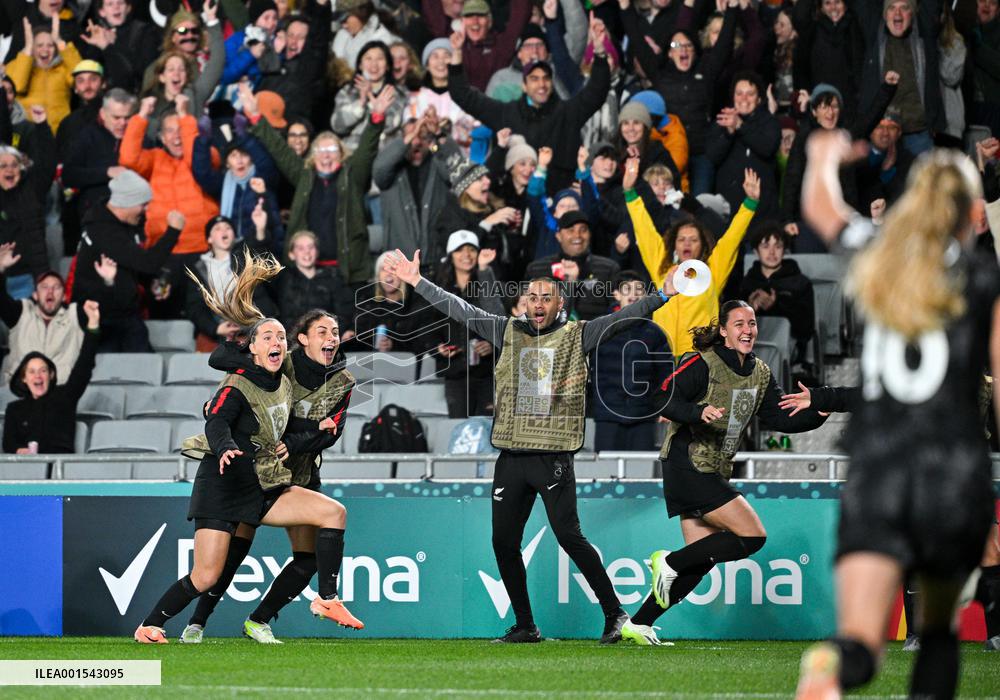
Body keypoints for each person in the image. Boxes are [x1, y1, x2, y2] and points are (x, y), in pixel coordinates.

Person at [382, 247, 678, 644]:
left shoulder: (579, 334)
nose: (538, 304)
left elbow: (624, 318)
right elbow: (457, 308)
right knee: (503, 542)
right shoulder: (505, 330)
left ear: (561, 304)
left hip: (553, 455)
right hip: (511, 455)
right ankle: (526, 625)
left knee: (569, 536)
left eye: (546, 298)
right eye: (532, 297)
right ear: (524, 302)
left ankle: (615, 616)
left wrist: (663, 294)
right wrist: (417, 281)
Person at [795, 132, 1000, 698]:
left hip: (878, 465)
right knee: (938, 631)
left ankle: (828, 671)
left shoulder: (875, 251)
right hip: (952, 469)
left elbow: (821, 207)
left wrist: (823, 156)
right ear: (974, 213)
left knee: (860, 645)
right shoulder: (983, 278)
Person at [134, 253, 362, 643]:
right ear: (255, 349)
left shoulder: (293, 383)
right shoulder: (242, 379)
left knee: (334, 513)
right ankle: (156, 624)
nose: (277, 343)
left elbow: (290, 421)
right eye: (267, 337)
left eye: (279, 337)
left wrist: (315, 428)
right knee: (208, 573)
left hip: (266, 480)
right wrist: (222, 444)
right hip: (226, 481)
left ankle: (326, 599)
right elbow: (217, 417)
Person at [622, 300, 831, 646]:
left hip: (713, 468)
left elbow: (779, 418)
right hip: (686, 464)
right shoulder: (702, 363)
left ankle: (639, 623)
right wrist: (696, 412)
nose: (747, 330)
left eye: (752, 323)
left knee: (699, 561)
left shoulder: (761, 371)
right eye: (739, 324)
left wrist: (818, 412)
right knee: (752, 537)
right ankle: (667, 560)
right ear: (723, 330)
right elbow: (660, 399)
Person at [179, 309, 355, 644]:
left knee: (308, 559)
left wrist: (291, 443)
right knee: (232, 553)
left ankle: (258, 621)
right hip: (258, 469)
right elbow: (221, 360)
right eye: (322, 331)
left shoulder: (344, 381)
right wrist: (217, 401)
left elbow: (331, 434)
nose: (331, 337)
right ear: (302, 339)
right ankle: (197, 622)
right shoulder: (281, 360)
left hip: (299, 474)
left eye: (335, 331)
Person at [245, 83, 390, 290]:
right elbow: (279, 150)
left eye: (332, 149)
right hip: (308, 270)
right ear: (312, 157)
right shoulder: (304, 175)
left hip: (346, 271)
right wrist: (256, 117)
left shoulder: (352, 176)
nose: (326, 154)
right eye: (320, 150)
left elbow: (367, 150)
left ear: (341, 154)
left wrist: (376, 119)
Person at [447, 15, 612, 193]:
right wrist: (456, 53)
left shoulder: (567, 113)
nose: (541, 85)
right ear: (524, 86)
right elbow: (462, 95)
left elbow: (597, 91)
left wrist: (600, 50)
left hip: (558, 202)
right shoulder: (506, 113)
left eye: (546, 78)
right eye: (534, 79)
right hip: (515, 203)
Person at [624, 154, 759, 355]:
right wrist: (629, 193)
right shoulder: (662, 266)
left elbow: (731, 239)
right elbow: (645, 231)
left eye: (693, 240)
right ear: (674, 246)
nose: (687, 243)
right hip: (662, 357)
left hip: (700, 359)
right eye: (681, 239)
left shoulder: (713, 271)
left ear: (702, 246)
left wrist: (750, 204)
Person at [73, 169, 183, 351]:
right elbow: (148, 263)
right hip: (102, 319)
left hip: (126, 314)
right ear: (126, 203)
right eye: (143, 204)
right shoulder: (104, 232)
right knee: (113, 376)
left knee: (145, 369)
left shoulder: (121, 224)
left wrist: (153, 283)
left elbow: (131, 264)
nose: (146, 209)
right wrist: (173, 232)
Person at [3, 299, 100, 465]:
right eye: (32, 372)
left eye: (43, 370)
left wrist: (93, 323)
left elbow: (84, 364)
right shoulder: (14, 410)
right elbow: (8, 444)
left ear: (51, 375)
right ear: (24, 378)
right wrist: (20, 450)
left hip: (60, 473)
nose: (38, 376)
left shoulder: (65, 397)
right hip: (26, 473)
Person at [0, 243, 112, 385]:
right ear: (35, 295)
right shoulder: (21, 313)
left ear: (64, 296)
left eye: (56, 287)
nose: (50, 292)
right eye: (44, 287)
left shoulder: (75, 315)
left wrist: (108, 282)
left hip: (62, 395)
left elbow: (103, 308)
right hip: (22, 394)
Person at [591, 270, 672, 451]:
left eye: (639, 289)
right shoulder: (599, 328)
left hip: (643, 416)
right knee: (606, 475)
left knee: (641, 476)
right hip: (607, 416)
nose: (634, 294)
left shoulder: (655, 333)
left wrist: (667, 407)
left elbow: (666, 375)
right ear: (616, 294)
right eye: (627, 289)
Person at [428, 230, 505, 417]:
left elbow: (501, 322)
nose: (466, 255)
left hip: (487, 374)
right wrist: (437, 348)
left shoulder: (489, 282)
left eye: (471, 249)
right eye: (459, 250)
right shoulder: (437, 288)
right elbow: (426, 327)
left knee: (487, 432)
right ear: (450, 256)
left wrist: (492, 345)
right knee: (460, 430)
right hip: (455, 373)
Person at [184, 213, 276, 352]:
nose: (224, 231)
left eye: (228, 228)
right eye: (218, 228)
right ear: (209, 238)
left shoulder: (245, 257)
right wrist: (215, 328)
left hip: (252, 325)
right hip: (217, 328)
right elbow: (195, 307)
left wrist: (260, 229)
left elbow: (263, 254)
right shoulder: (197, 268)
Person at [739, 224, 815, 366]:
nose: (772, 252)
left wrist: (777, 304)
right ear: (756, 251)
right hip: (750, 346)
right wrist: (749, 309)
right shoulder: (747, 283)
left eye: (778, 246)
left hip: (787, 350)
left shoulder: (800, 283)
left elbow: (806, 328)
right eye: (766, 246)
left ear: (784, 250)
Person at [524, 211, 621, 321]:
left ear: (590, 234)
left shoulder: (608, 268)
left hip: (596, 334)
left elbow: (616, 311)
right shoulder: (537, 269)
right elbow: (527, 310)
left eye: (583, 230)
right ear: (558, 236)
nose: (578, 235)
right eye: (571, 230)